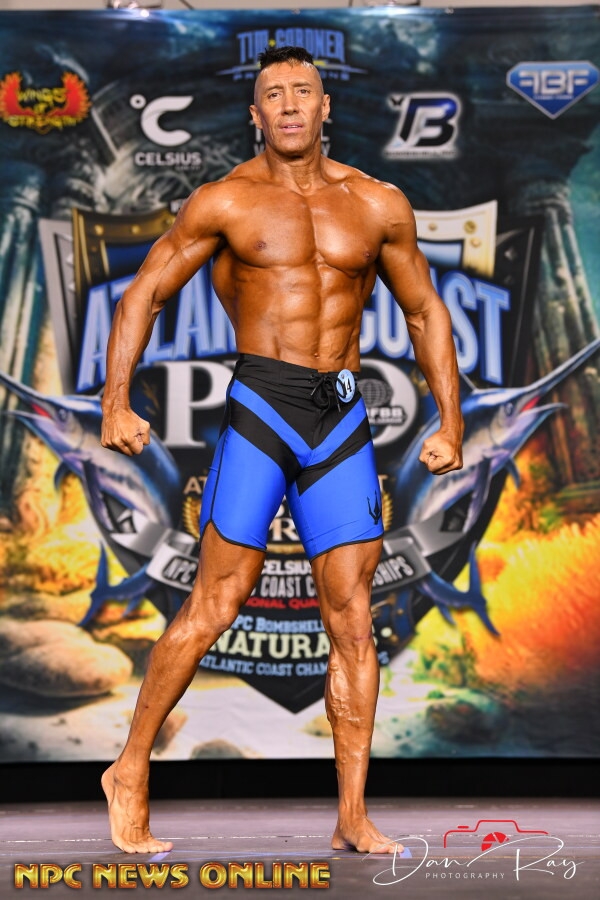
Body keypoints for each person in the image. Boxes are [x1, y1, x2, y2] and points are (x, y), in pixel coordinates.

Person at [99, 46, 464, 855]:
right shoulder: (225, 200)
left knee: (354, 622)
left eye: (304, 91)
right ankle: (129, 769)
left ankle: (353, 814)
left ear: (325, 107)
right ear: (255, 114)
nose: (291, 104)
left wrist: (450, 420)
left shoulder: (378, 203)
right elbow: (145, 293)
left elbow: (424, 310)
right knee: (214, 604)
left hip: (342, 420)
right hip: (264, 410)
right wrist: (115, 401)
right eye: (275, 94)